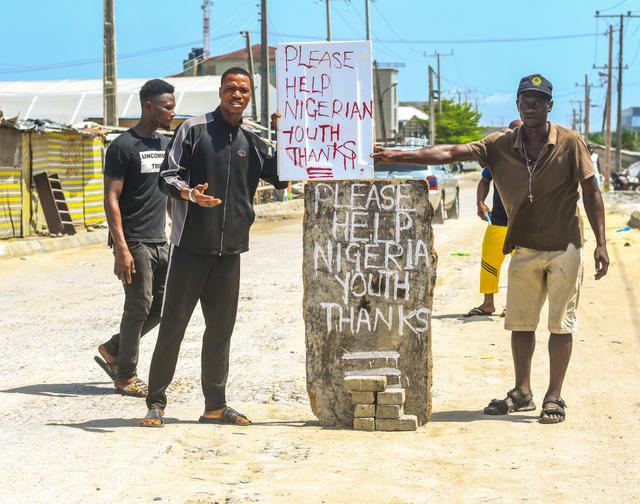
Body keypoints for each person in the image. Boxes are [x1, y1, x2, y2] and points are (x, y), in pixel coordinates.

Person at [373, 74, 609, 424]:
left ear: (549, 106)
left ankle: (555, 395)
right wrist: (396, 155)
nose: (530, 106)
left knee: (561, 325)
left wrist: (601, 243)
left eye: (537, 100)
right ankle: (522, 392)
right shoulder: (500, 144)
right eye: (524, 100)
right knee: (521, 324)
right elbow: (452, 151)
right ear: (517, 105)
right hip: (523, 248)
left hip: (565, 246)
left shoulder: (570, 143)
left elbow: (591, 191)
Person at [140, 67, 289, 427]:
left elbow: (281, 176)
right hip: (191, 247)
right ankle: (156, 402)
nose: (237, 95)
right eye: (231, 88)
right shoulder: (193, 129)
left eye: (244, 90)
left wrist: (284, 132)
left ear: (249, 95)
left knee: (220, 330)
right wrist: (190, 194)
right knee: (173, 325)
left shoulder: (253, 142)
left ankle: (215, 406)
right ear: (221, 91)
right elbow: (167, 176)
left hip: (231, 252)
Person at [95, 79, 176, 397]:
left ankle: (115, 348)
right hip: (134, 240)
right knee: (139, 305)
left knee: (164, 305)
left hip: (160, 239)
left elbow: (167, 193)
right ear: (148, 107)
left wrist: (176, 228)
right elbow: (111, 198)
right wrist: (121, 248)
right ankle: (125, 375)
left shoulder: (164, 146)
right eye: (167, 106)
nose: (172, 111)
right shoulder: (122, 146)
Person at [465, 119, 522, 318]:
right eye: (513, 132)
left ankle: (514, 305)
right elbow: (485, 180)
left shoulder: (534, 158)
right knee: (489, 262)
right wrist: (480, 202)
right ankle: (487, 304)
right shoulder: (499, 157)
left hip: (523, 223)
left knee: (520, 267)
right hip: (498, 220)